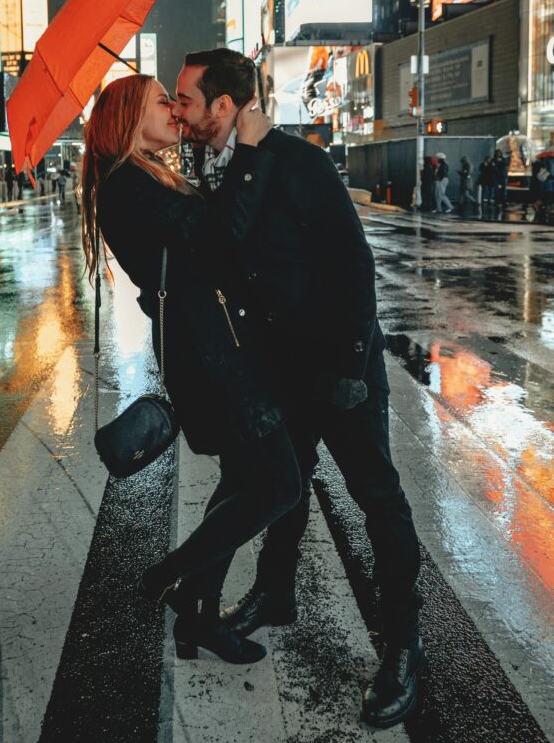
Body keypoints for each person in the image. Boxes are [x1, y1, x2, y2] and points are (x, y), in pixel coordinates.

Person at [172, 49, 423, 730]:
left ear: (225, 106)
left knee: (377, 497)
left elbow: (352, 265)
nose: (178, 112)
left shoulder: (301, 162)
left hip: (339, 367)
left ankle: (403, 641)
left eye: (187, 99)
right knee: (284, 486)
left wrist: (348, 366)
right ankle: (274, 593)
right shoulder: (223, 170)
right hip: (280, 370)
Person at [82, 73, 302, 665]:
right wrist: (251, 150)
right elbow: (220, 234)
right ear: (129, 117)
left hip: (217, 341)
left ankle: (198, 620)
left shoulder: (149, 176)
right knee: (280, 484)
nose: (175, 113)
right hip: (213, 353)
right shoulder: (127, 185)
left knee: (240, 480)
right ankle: (170, 577)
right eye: (163, 102)